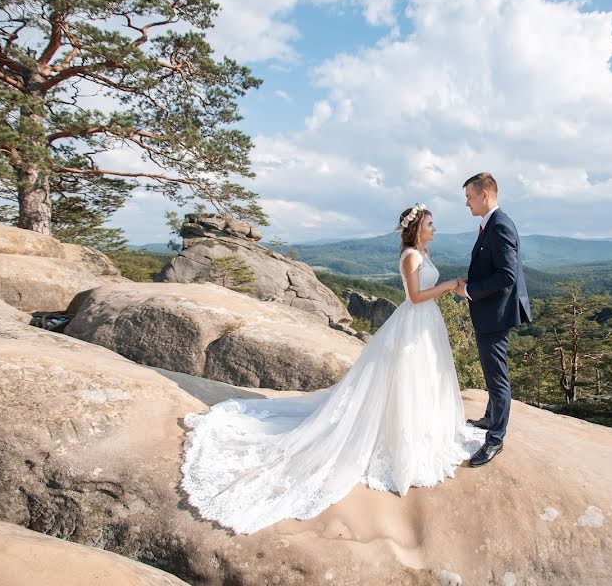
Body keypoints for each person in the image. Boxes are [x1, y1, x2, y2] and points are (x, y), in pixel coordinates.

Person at [181, 203, 484, 534]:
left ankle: (422, 429)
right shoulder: (411, 255)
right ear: (417, 228)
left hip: (426, 325)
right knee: (407, 380)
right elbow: (414, 297)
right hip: (414, 321)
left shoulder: (422, 251)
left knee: (421, 380)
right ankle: (401, 440)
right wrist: (451, 285)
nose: (434, 227)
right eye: (430, 223)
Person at [454, 172, 532, 467]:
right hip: (490, 312)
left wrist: (470, 291)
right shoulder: (491, 224)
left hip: (496, 315)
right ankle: (490, 418)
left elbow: (507, 276)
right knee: (490, 371)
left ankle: (496, 439)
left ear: (484, 195)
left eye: (469, 197)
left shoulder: (500, 225)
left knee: (497, 378)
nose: (467, 203)